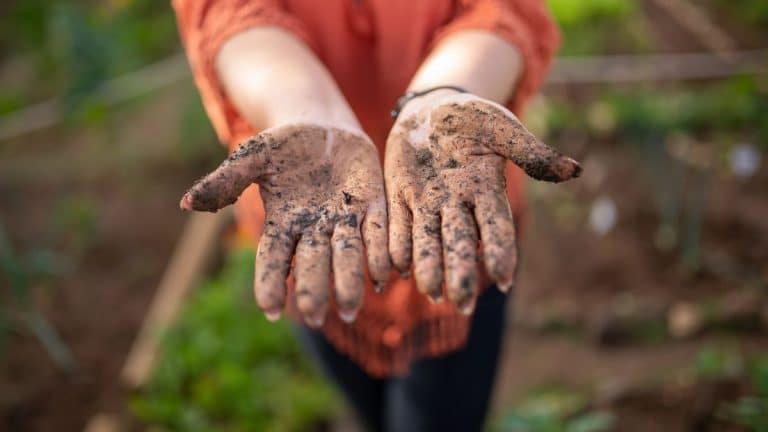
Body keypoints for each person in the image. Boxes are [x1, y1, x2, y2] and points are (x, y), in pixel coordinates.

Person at [172, 1, 580, 430]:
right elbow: (228, 12)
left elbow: (502, 9)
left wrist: (442, 93)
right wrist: (305, 107)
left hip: (453, 209)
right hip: (312, 216)